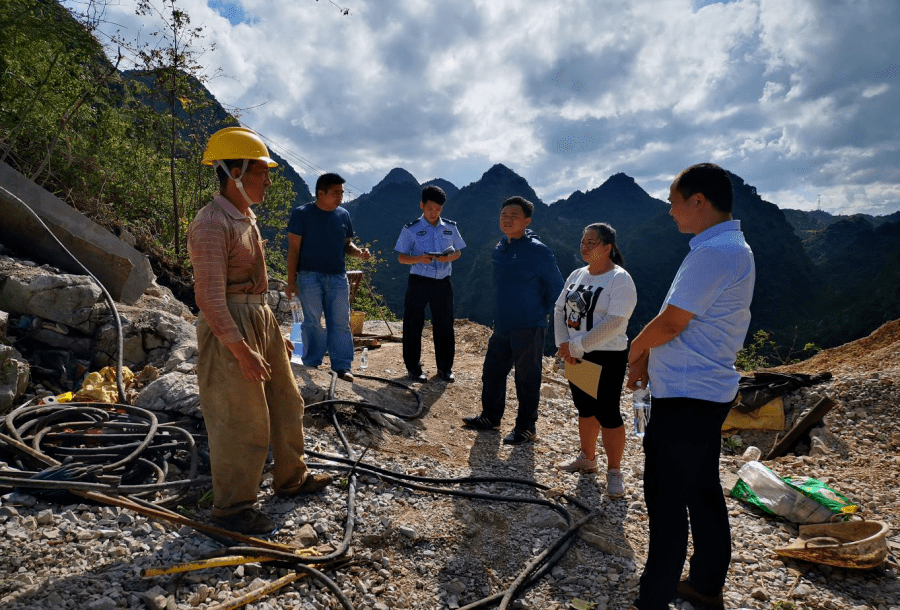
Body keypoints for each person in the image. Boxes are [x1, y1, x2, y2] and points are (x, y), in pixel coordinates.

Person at [188, 126, 332, 536]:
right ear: (234, 171)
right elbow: (211, 299)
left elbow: (256, 283)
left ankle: (290, 478)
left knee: (287, 403)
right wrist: (241, 348)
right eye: (261, 171)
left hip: (257, 318)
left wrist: (271, 331)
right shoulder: (211, 223)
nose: (269, 180)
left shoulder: (245, 217)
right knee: (240, 419)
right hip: (228, 323)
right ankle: (233, 509)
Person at [626, 163, 755, 610]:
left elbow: (674, 321)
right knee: (701, 489)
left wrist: (635, 352)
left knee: (665, 501)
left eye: (674, 202)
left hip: (686, 395)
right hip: (706, 390)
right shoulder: (726, 247)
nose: (670, 211)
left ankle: (653, 599)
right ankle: (705, 582)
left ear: (699, 201)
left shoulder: (715, 253)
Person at [462, 196, 564, 445]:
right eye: (503, 216)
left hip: (529, 324)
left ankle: (527, 427)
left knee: (527, 378)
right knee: (492, 372)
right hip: (503, 323)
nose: (507, 220)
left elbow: (557, 288)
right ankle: (490, 417)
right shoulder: (502, 245)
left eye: (513, 216)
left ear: (527, 220)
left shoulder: (537, 250)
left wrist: (546, 317)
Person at [553, 223, 637, 499]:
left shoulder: (619, 279)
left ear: (607, 248)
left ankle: (615, 471)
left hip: (607, 355)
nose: (585, 247)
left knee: (608, 411)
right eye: (583, 241)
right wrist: (564, 344)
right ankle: (587, 457)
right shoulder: (578, 274)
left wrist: (577, 345)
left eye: (591, 242)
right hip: (575, 353)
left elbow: (615, 322)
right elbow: (559, 308)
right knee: (585, 407)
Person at [286, 173, 371, 382]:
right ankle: (312, 361)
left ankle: (342, 366)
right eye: (335, 193)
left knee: (340, 322)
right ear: (320, 193)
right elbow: (293, 249)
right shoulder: (301, 214)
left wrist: (358, 252)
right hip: (308, 276)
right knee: (312, 321)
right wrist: (291, 281)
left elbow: (346, 245)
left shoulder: (343, 215)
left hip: (337, 276)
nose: (340, 197)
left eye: (341, 193)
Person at [394, 185, 466, 383]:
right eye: (430, 208)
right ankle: (414, 369)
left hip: (442, 282)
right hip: (418, 281)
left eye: (438, 209)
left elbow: (459, 252)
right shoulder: (411, 229)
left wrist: (450, 257)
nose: (433, 213)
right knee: (413, 324)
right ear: (422, 205)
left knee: (444, 325)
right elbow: (401, 257)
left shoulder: (450, 227)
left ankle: (445, 369)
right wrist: (418, 259)